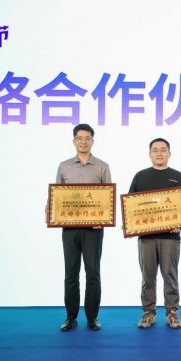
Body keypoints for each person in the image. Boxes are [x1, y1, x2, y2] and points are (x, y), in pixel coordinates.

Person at [129, 138, 181, 329]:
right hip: (146, 237)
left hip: (170, 237)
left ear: (169, 154)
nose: (159, 153)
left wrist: (180, 222)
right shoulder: (140, 177)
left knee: (170, 275)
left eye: (163, 150)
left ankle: (172, 313)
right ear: (149, 154)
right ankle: (148, 313)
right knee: (147, 276)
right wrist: (131, 223)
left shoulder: (178, 177)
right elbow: (131, 205)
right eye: (155, 150)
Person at [54, 124, 111, 332]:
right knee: (71, 272)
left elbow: (108, 199)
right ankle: (70, 316)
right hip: (69, 228)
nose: (83, 142)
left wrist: (103, 218)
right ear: (74, 141)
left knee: (93, 272)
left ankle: (92, 317)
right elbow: (57, 197)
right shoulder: (64, 166)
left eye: (87, 138)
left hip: (94, 229)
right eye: (79, 138)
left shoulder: (102, 166)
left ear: (92, 141)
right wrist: (52, 209)